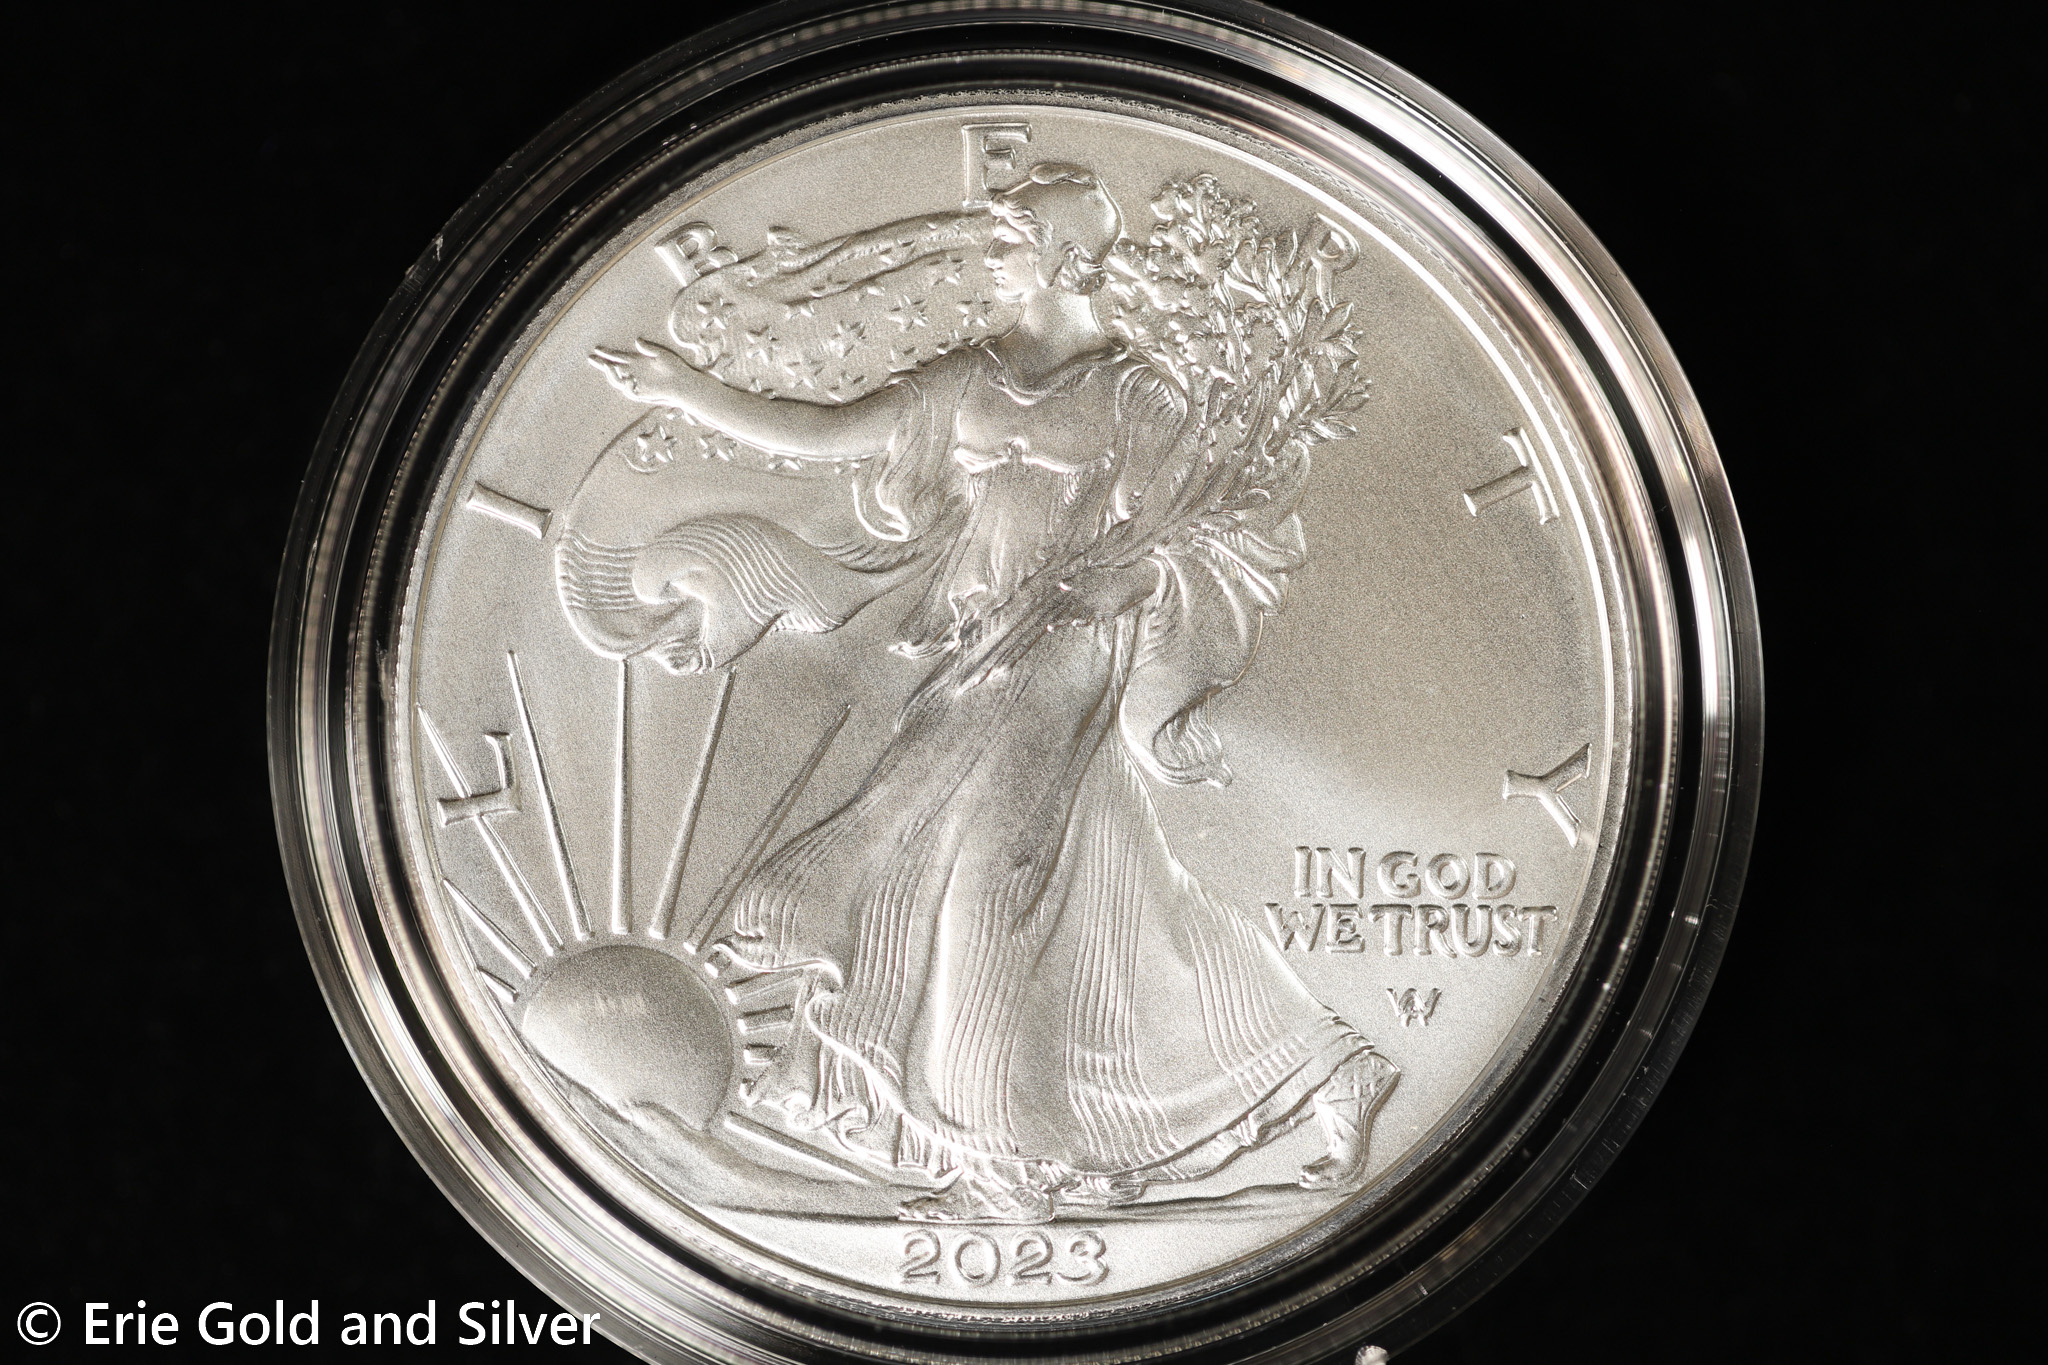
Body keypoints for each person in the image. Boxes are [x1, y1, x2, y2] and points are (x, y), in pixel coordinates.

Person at [587, 163, 1396, 1224]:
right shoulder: (965, 381)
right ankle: (1315, 1068)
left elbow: (1201, 534)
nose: (993, 259)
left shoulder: (1136, 397)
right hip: (976, 649)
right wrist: (688, 391)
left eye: (1011, 244)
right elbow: (824, 432)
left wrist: (1131, 579)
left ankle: (995, 1162)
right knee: (1110, 889)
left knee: (973, 880)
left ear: (1063, 261)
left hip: (1066, 652)